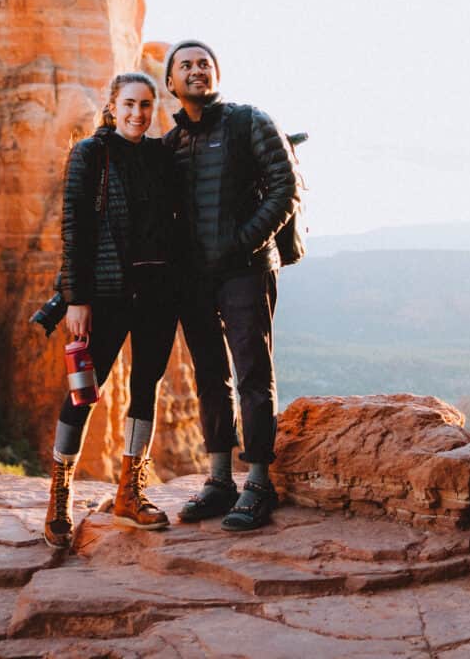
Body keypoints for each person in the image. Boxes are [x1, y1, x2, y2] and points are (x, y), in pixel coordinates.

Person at [163, 39, 298, 532]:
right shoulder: (173, 143)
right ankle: (219, 481)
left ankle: (259, 481)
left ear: (216, 74)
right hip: (194, 277)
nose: (197, 70)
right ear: (171, 83)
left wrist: (241, 243)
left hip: (246, 269)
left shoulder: (248, 122)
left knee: (252, 374)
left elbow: (286, 187)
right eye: (186, 65)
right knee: (210, 378)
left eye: (205, 64)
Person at [44, 72, 179, 550]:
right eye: (129, 103)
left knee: (146, 388)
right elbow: (74, 229)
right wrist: (77, 298)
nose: (138, 113)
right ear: (112, 104)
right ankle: (61, 493)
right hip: (105, 295)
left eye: (146, 104)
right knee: (84, 390)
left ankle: (129, 494)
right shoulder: (90, 154)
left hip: (159, 295)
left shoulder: (163, 155)